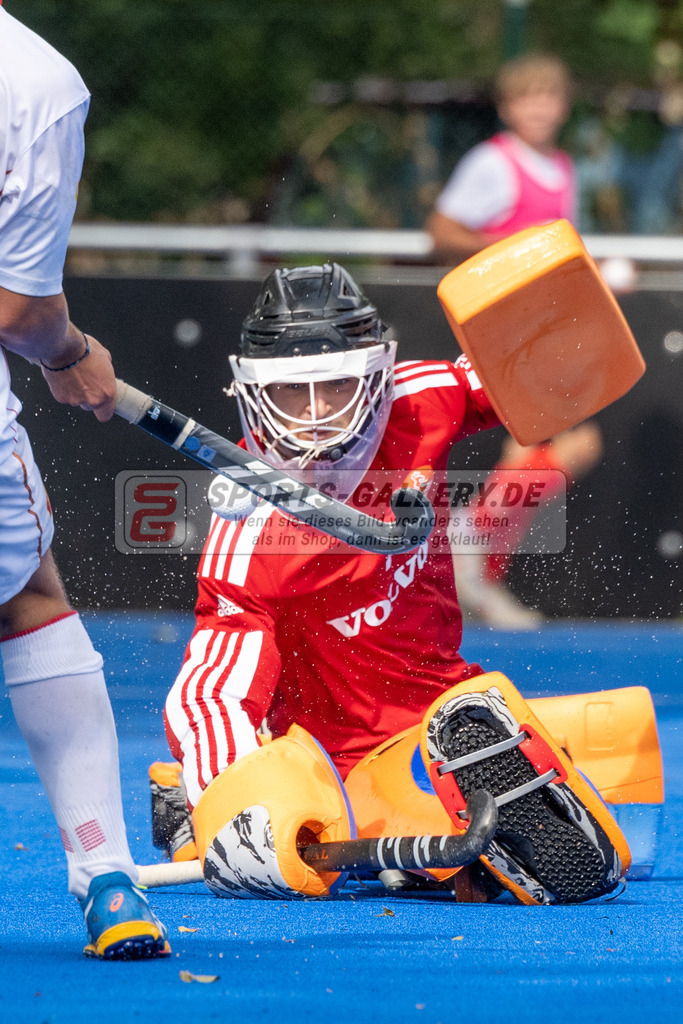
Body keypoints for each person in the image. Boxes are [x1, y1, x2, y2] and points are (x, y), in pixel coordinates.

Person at [150, 262, 636, 907]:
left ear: (378, 375)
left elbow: (551, 373)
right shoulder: (248, 535)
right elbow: (212, 689)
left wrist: (568, 312)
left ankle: (440, 826)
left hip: (452, 707)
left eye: (338, 386)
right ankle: (196, 796)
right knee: (479, 854)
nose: (317, 415)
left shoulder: (421, 398)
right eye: (294, 393)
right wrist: (236, 793)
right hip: (334, 754)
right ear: (252, 393)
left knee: (628, 743)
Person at [0, 5, 169, 959]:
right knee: (28, 600)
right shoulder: (35, 81)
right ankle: (106, 879)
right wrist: (69, 352)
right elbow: (21, 308)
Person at [427, 53, 603, 629]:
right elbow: (443, 229)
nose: (539, 108)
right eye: (527, 97)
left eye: (548, 96)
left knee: (543, 454)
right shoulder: (492, 164)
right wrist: (508, 249)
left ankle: (473, 566)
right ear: (508, 107)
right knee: (546, 449)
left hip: (545, 330)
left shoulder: (564, 169)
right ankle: (474, 560)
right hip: (504, 328)